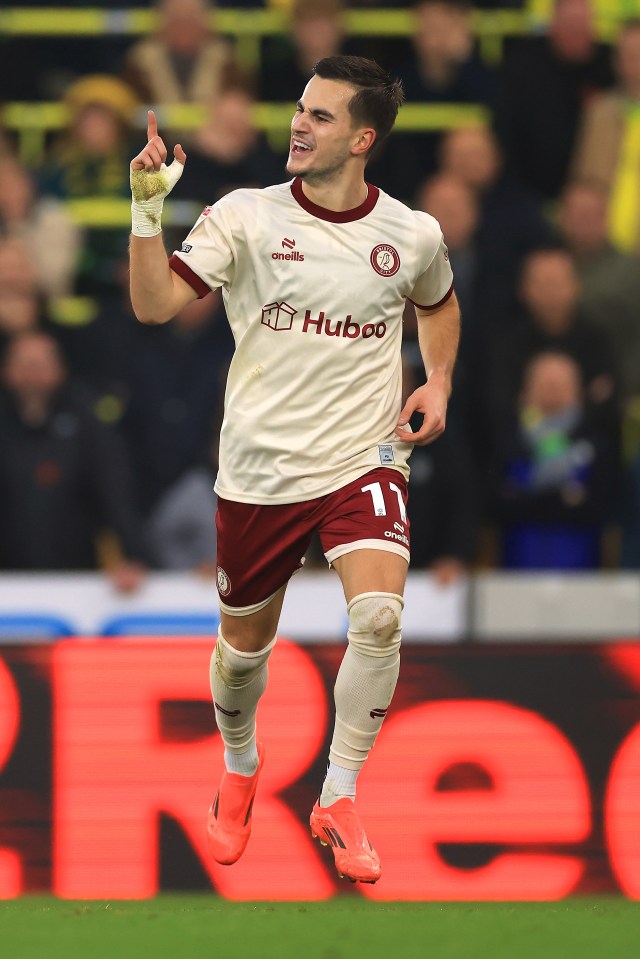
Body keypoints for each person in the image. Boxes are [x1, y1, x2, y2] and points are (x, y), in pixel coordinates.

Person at [128, 55, 459, 884]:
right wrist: (145, 212)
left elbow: (438, 299)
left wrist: (439, 378)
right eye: (299, 110)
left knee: (379, 617)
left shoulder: (412, 233)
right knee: (243, 651)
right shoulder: (243, 216)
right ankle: (240, 764)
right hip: (261, 469)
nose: (298, 125)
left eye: (318, 116)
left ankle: (339, 793)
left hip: (364, 456)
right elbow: (154, 305)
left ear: (362, 138)